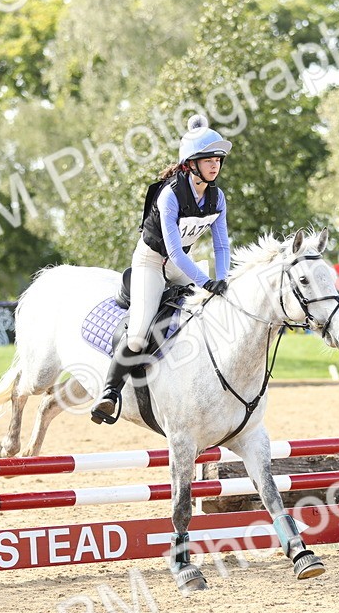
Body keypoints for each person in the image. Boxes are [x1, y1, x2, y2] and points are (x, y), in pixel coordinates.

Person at [91, 114, 233, 424]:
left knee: (215, 310)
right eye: (207, 159)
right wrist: (207, 282)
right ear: (190, 164)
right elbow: (172, 252)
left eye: (218, 159)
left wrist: (222, 281)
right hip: (151, 263)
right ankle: (109, 393)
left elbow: (222, 246)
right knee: (140, 333)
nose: (215, 165)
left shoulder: (216, 197)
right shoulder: (170, 194)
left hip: (181, 264)